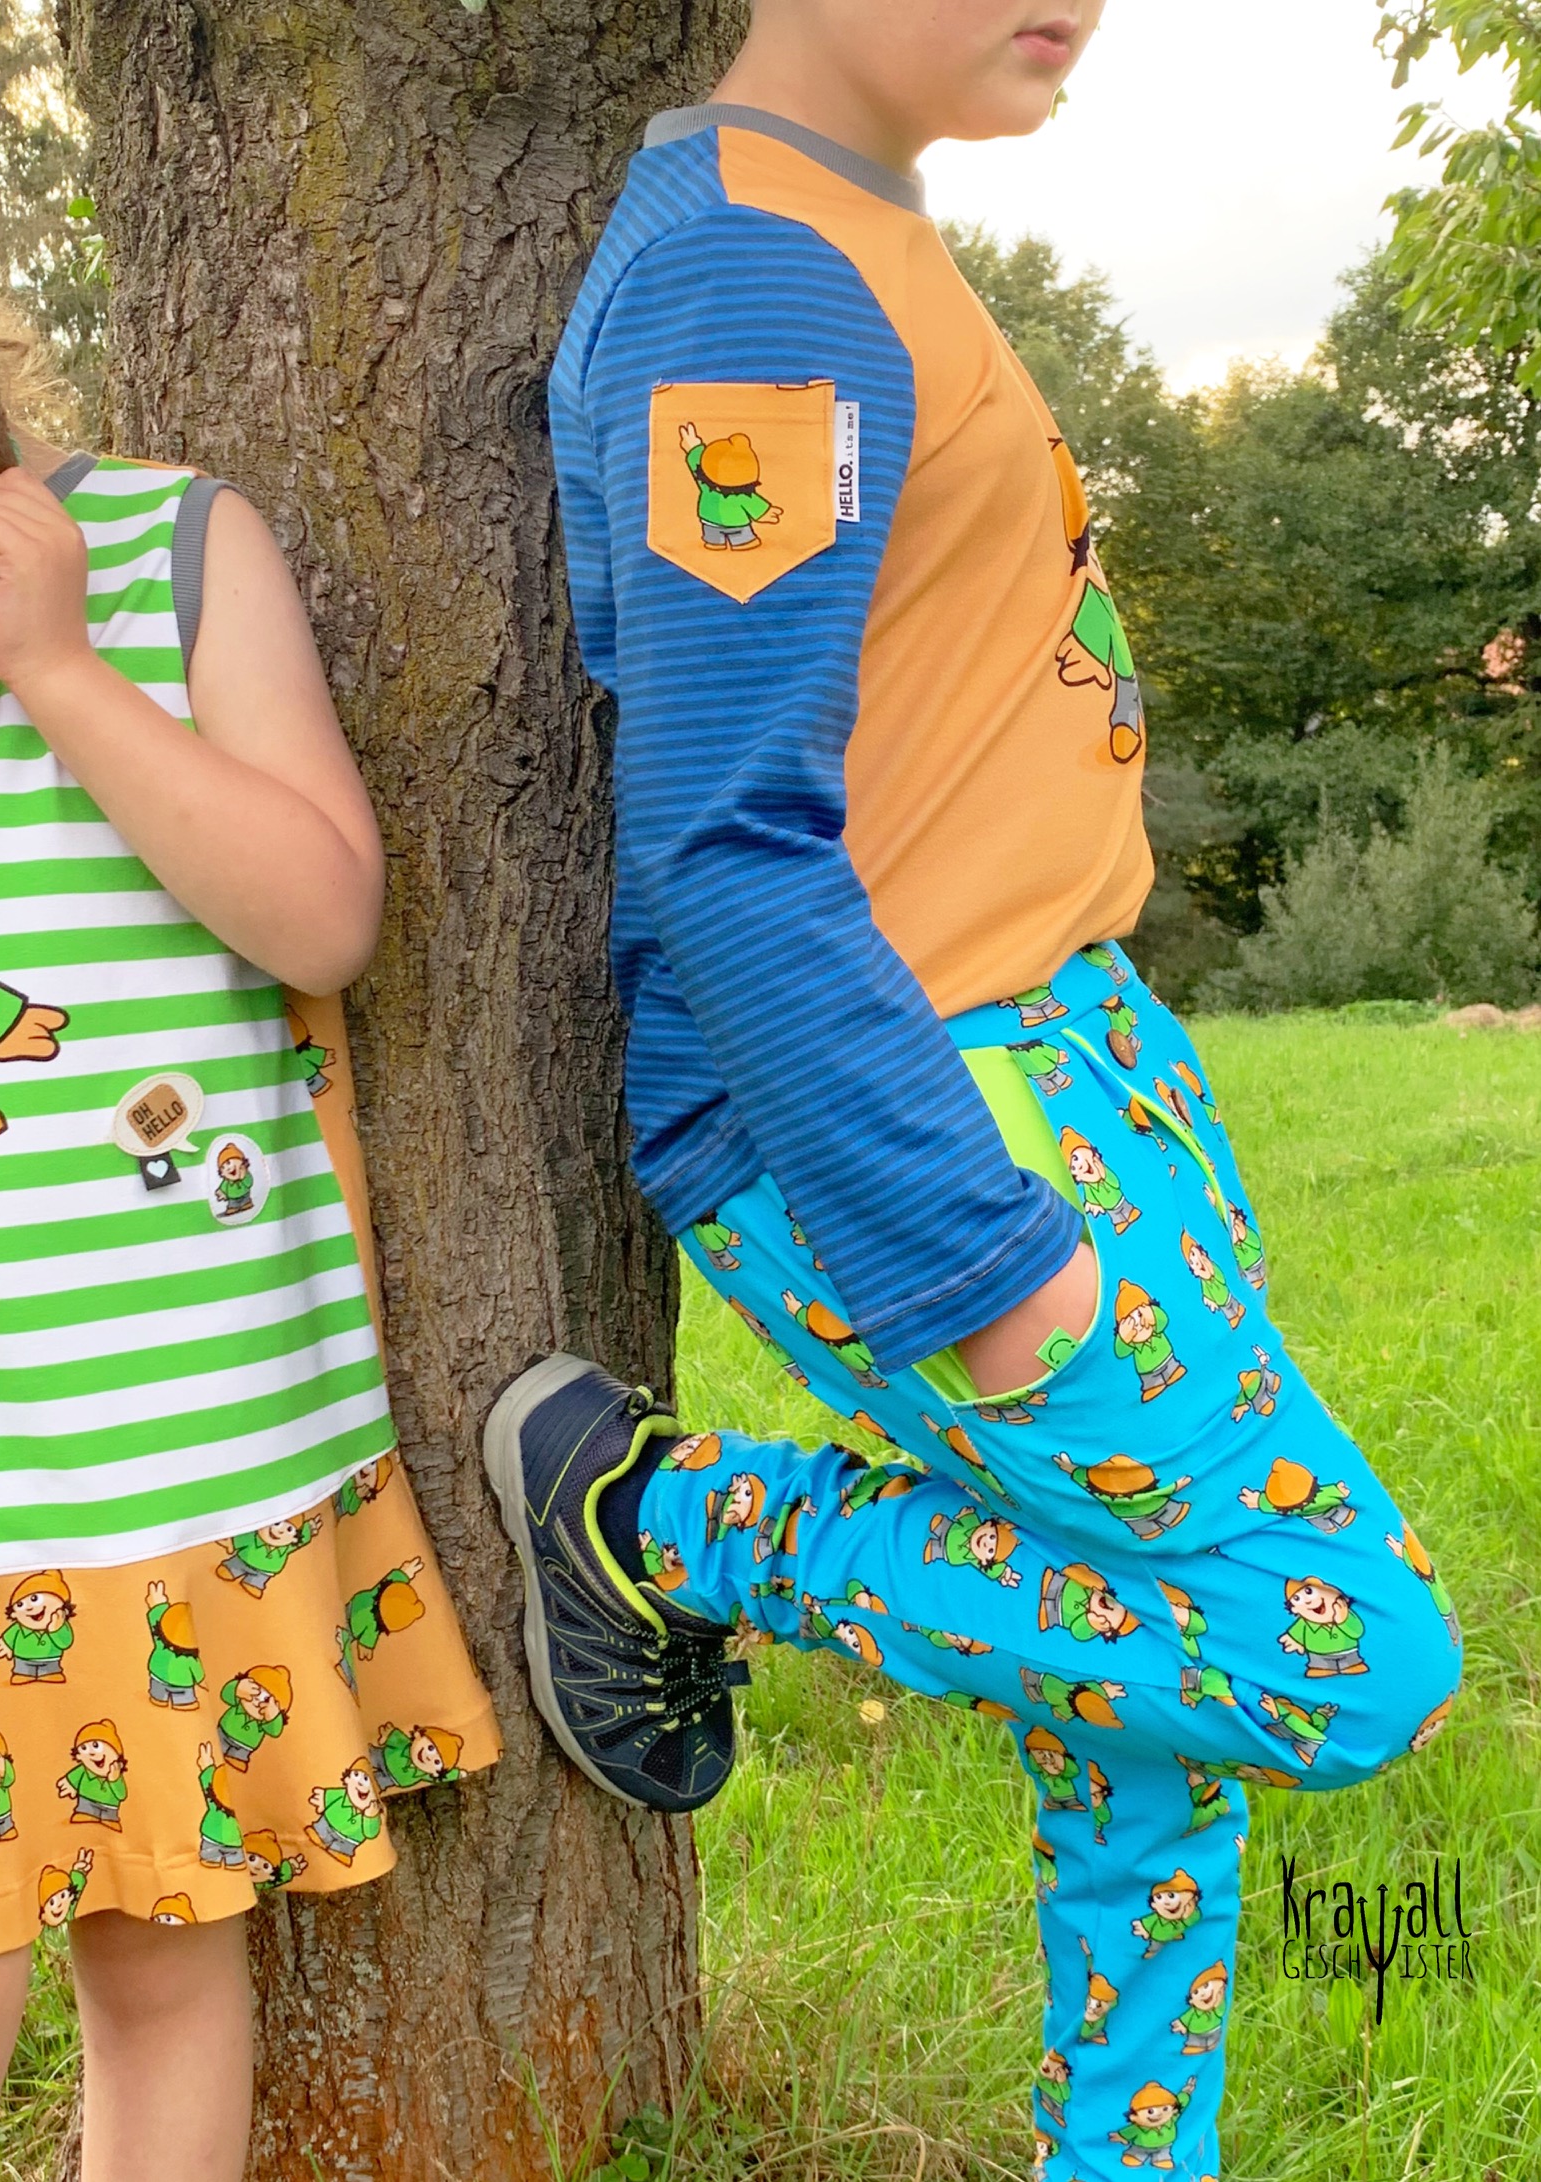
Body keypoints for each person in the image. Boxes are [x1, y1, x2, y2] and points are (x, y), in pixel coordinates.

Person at [483, 8, 1464, 2178]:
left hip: (1061, 1058)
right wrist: (969, 1247)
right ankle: (662, 1521)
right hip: (931, 1106)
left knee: (1142, 1730)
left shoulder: (853, 229)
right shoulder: (750, 280)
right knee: (1341, 1654)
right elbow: (726, 835)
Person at [0, 178, 499, 2182]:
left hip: (184, 1428)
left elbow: (322, 916)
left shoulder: (166, 549)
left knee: (163, 1956)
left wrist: (64, 677)